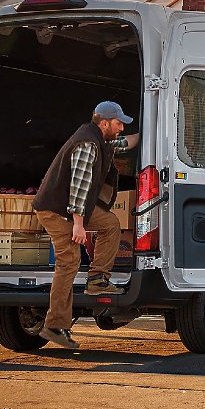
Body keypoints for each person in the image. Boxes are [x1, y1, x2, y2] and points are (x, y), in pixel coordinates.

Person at [31, 101, 139, 349]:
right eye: (118, 122)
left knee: (110, 224)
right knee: (69, 263)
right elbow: (78, 188)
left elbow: (125, 143)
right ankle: (55, 325)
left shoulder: (101, 139)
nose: (121, 127)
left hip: (72, 210)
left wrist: (152, 129)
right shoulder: (87, 145)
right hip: (57, 211)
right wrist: (78, 225)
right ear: (104, 123)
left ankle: (98, 279)